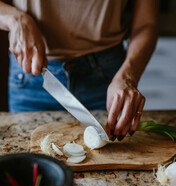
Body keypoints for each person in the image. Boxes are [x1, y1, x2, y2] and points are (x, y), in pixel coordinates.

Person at [0, 0, 159, 141]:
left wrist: (127, 77)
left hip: (108, 81)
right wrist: (16, 19)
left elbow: (147, 23)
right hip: (31, 75)